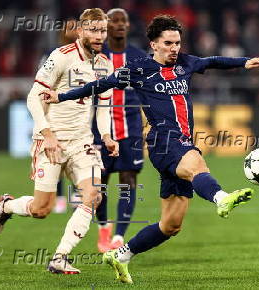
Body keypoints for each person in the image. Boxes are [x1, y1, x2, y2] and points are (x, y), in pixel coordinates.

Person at [42, 15, 259, 283]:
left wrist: (244, 62)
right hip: (164, 141)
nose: (175, 48)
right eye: (169, 43)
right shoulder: (139, 69)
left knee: (171, 225)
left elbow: (212, 61)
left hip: (182, 140)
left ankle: (122, 255)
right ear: (154, 44)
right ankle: (221, 198)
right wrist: (62, 96)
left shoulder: (186, 62)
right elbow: (100, 85)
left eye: (177, 42)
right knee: (197, 163)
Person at [0, 8, 119, 274]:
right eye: (93, 30)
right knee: (41, 209)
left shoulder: (106, 64)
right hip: (52, 140)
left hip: (82, 141)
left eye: (103, 30)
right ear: (81, 30)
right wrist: (47, 133)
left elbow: (104, 105)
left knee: (93, 194)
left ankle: (60, 257)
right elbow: (33, 96)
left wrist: (106, 135)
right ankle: (7, 206)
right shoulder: (61, 57)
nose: (99, 35)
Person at [93, 8, 148, 253]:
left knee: (128, 180)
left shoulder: (138, 57)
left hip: (131, 129)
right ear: (106, 25)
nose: (119, 24)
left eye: (123, 20)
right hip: (100, 130)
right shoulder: (95, 54)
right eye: (113, 20)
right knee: (100, 183)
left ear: (128, 25)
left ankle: (118, 236)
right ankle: (103, 228)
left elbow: (148, 92)